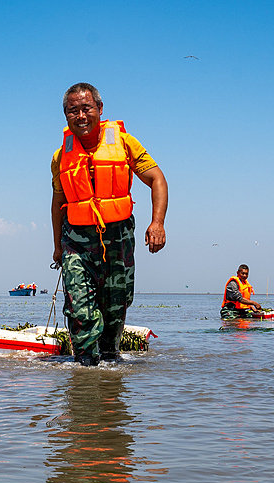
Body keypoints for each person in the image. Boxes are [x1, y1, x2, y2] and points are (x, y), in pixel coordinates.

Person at [51, 82, 168, 365]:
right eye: (72, 111)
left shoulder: (125, 144)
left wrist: (157, 223)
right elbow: (57, 204)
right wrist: (57, 248)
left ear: (100, 109)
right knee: (80, 312)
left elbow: (157, 180)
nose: (80, 116)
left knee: (115, 313)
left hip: (118, 241)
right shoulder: (60, 157)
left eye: (86, 108)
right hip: (76, 244)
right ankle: (85, 377)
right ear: (65, 116)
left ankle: (108, 386)